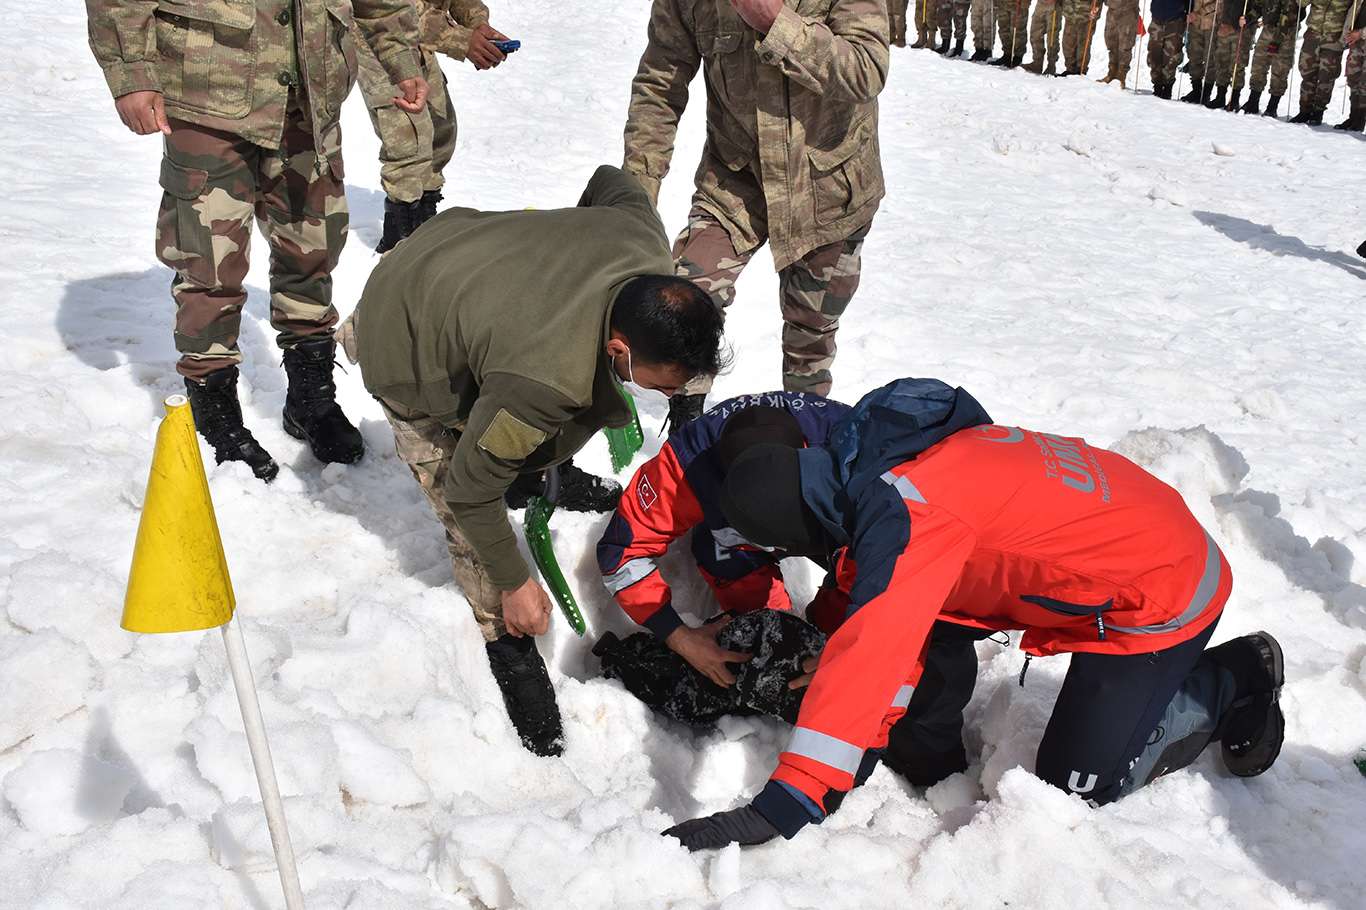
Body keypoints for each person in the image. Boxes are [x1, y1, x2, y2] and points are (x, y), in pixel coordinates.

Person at [663, 379, 1285, 850]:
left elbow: (874, 647)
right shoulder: (866, 468)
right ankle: (935, 754)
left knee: (1074, 790)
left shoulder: (908, 522)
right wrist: (822, 649)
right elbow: (865, 606)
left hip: (1163, 591)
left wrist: (788, 801)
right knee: (914, 642)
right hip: (1131, 522)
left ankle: (1229, 675)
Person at [340, 166, 727, 756]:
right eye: (666, 385)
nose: (674, 396)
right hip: (404, 332)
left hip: (459, 258)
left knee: (525, 424)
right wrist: (516, 581)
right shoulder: (543, 381)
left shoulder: (642, 241)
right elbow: (470, 490)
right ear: (620, 348)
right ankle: (506, 638)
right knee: (460, 489)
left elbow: (609, 179)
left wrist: (558, 260)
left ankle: (532, 464)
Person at [86, 0, 428, 482]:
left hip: (310, 94)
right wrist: (132, 75)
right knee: (209, 262)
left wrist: (400, 60)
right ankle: (215, 415)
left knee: (313, 250)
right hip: (207, 93)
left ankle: (311, 399)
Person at [623, 0, 889, 426]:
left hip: (825, 188)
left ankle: (808, 435)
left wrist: (775, 22)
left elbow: (867, 69)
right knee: (685, 302)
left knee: (811, 336)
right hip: (734, 181)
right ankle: (686, 426)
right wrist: (636, 194)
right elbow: (660, 83)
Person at [597, 394, 851, 686]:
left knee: (854, 609)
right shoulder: (685, 465)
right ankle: (775, 627)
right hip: (734, 537)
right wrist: (678, 636)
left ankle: (828, 629)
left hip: (839, 533)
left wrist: (855, 645)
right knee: (723, 559)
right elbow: (621, 552)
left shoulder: (852, 451)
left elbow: (898, 566)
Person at [357, 0, 512, 252]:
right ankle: (399, 244)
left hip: (413, 36)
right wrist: (462, 40)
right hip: (377, 31)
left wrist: (477, 24)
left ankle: (424, 218)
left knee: (441, 133)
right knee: (409, 139)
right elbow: (392, 9)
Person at [1292, 0, 1356, 124]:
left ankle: (1318, 112)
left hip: (1334, 37)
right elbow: (1302, 3)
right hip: (1313, 34)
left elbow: (1355, 11)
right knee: (1307, 72)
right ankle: (1304, 111)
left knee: (1327, 76)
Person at [1241, 0, 1306, 115]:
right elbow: (1259, 6)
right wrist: (1248, 18)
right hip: (1268, 30)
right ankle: (1253, 102)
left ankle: (1272, 107)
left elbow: (1290, 14)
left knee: (1280, 70)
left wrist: (1277, 40)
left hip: (1286, 34)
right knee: (1258, 66)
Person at [1205, 0, 1261, 111]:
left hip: (1242, 29)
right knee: (1221, 62)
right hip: (1225, 26)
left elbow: (1259, 7)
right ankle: (1220, 96)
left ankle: (1234, 100)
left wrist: (1248, 18)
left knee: (1237, 65)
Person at [1147, 0, 1191, 97]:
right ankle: (1157, 85)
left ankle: (1167, 87)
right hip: (1157, 17)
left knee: (1172, 55)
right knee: (1154, 53)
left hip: (1175, 19)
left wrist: (1189, 11)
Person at [1182, 0, 1223, 102]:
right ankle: (1196, 90)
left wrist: (1199, 13)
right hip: (1195, 24)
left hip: (1211, 24)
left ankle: (1206, 93)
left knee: (1210, 59)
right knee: (1194, 57)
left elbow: (1220, 3)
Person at [1335, 9, 1365, 130]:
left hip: (1360, 36)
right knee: (1354, 80)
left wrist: (1361, 33)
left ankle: (1360, 120)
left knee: (1364, 84)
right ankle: (1353, 117)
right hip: (1356, 42)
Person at [1101, 0, 1143, 84]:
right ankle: (1111, 73)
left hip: (1128, 11)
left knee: (1125, 45)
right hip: (1112, 9)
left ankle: (1121, 77)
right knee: (1111, 42)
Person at [1059, 0, 1103, 74]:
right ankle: (1070, 69)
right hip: (1070, 12)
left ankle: (1081, 69)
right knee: (1068, 43)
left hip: (1086, 14)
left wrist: (1096, 6)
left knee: (1083, 43)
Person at [1023, 0, 1064, 74]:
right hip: (1041, 3)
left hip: (1054, 5)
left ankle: (1051, 66)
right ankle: (1037, 64)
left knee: (1052, 37)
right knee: (1035, 33)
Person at [993, 0, 1032, 65]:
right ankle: (1007, 55)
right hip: (1002, 3)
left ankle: (1018, 57)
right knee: (1004, 28)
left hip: (1018, 3)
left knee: (1018, 30)